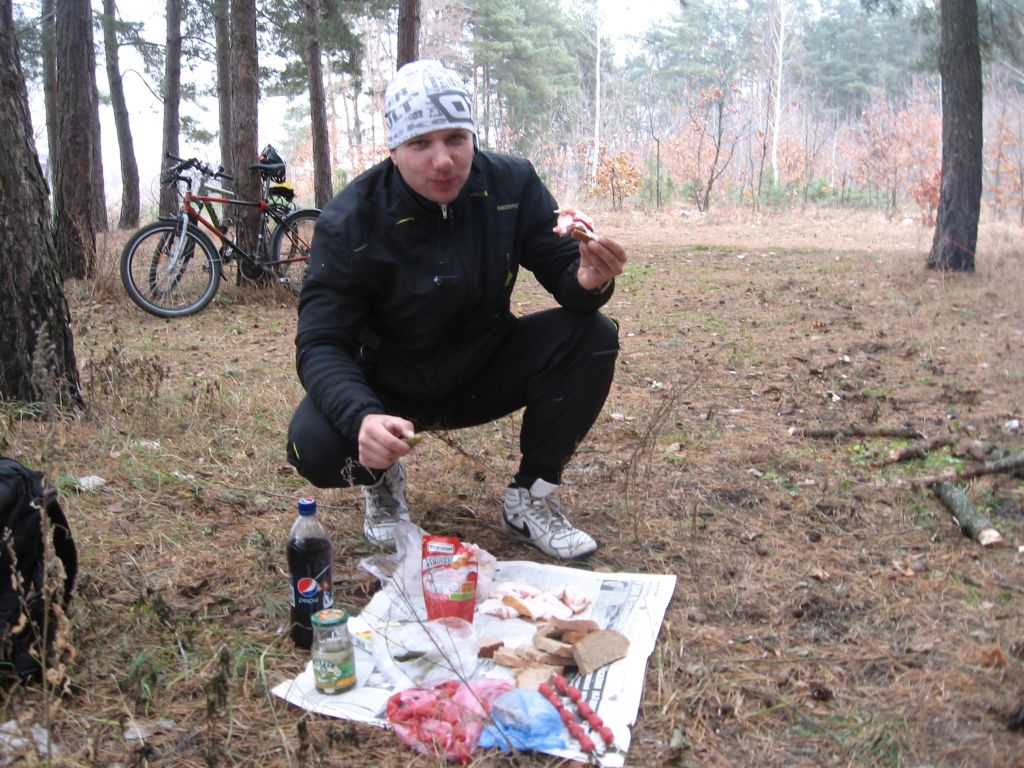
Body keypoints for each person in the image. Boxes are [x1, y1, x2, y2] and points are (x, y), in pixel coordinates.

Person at [286, 60, 627, 560]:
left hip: (482, 370)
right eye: (420, 143)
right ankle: (381, 481)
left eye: (455, 138)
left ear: (473, 137)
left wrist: (588, 279)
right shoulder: (350, 219)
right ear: (394, 150)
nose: (443, 161)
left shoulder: (511, 184)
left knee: (592, 334)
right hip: (390, 389)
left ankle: (531, 497)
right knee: (314, 445)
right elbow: (320, 341)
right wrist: (362, 417)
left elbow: (562, 270)